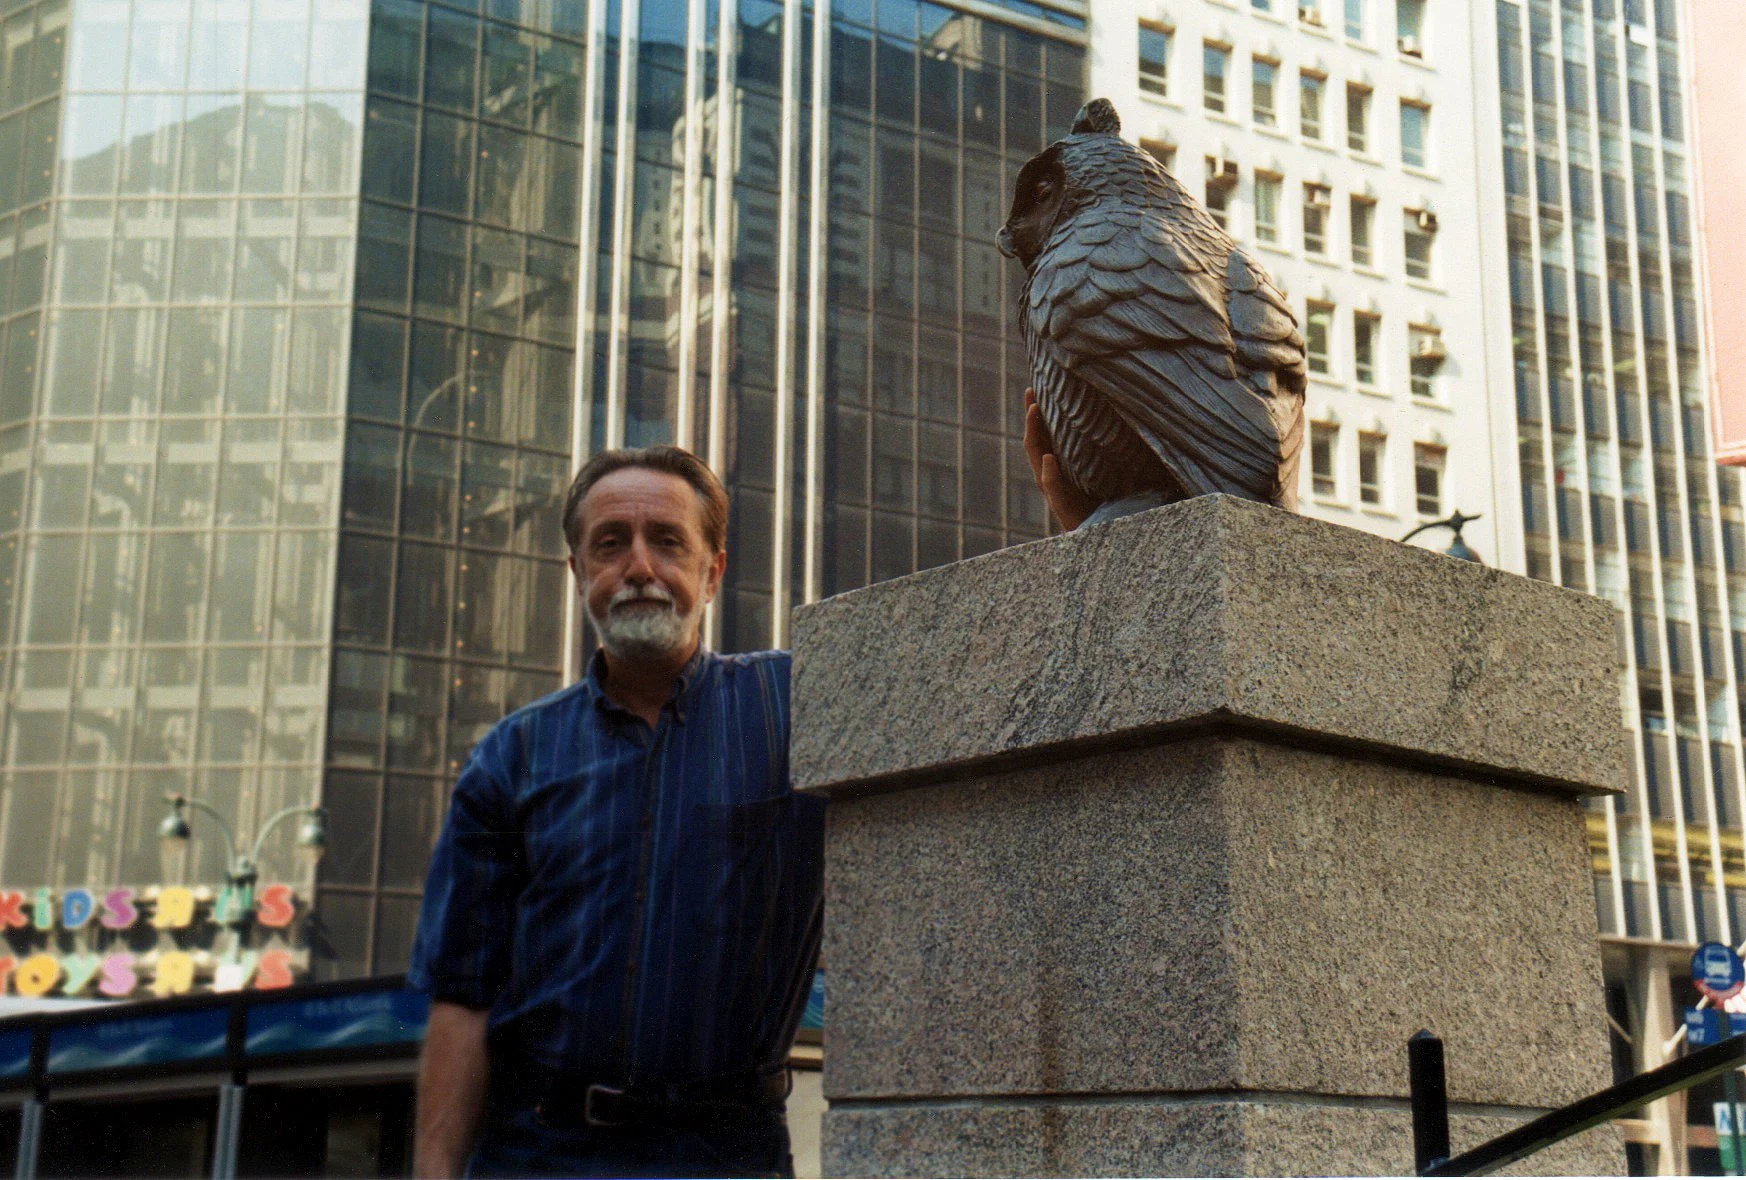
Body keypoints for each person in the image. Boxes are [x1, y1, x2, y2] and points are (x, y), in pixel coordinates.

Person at [407, 445, 826, 1179]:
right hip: (540, 1152)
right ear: (579, 575)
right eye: (610, 544)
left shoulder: (796, 708)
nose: (638, 566)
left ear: (713, 570)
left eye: (667, 540)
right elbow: (462, 1000)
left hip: (727, 1155)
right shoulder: (510, 757)